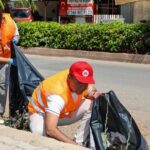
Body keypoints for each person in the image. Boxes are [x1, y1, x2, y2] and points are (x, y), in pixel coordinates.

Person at [28, 61, 101, 146]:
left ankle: (80, 142)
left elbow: (90, 90)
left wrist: (95, 94)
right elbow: (50, 130)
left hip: (60, 113)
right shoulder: (56, 95)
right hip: (40, 114)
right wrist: (73, 145)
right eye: (80, 83)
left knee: (91, 104)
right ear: (69, 77)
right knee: (39, 133)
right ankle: (76, 145)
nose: (83, 87)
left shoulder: (77, 77)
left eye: (86, 83)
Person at [0, 12, 19, 124]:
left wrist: (15, 39)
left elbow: (16, 34)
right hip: (6, 60)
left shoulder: (9, 21)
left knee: (2, 85)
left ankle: (0, 113)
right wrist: (10, 60)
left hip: (4, 60)